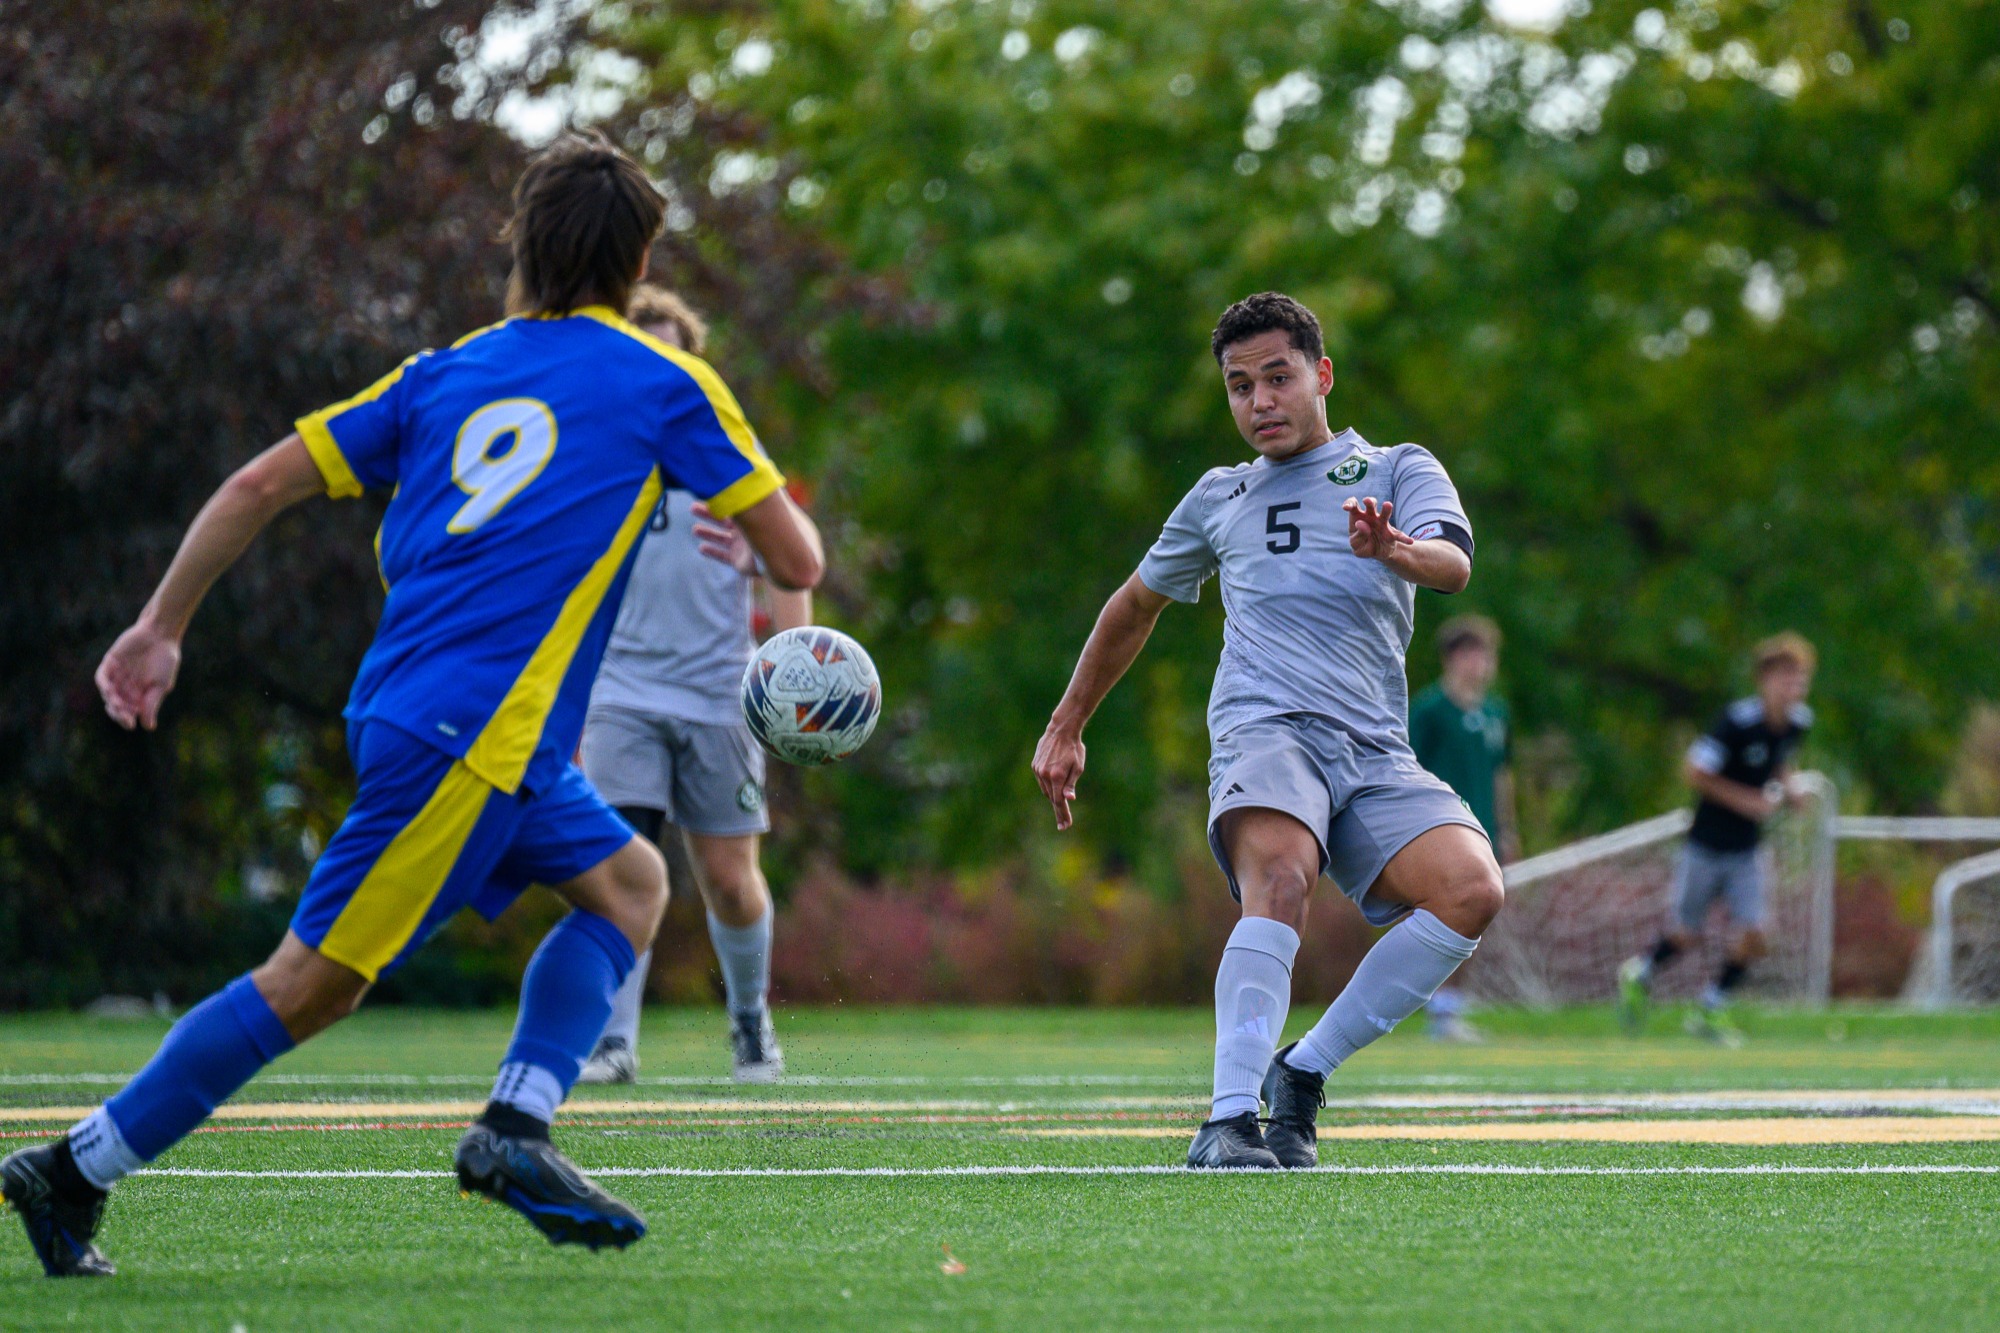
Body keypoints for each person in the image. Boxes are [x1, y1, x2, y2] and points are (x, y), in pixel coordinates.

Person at [0, 132, 824, 1277]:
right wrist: (742, 520)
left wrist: (160, 626)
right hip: (469, 735)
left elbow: (255, 484)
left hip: (446, 716)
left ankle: (515, 1128)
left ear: (521, 244)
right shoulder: (662, 379)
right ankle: (74, 1166)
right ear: (638, 264)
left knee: (632, 885)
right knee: (310, 987)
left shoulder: (440, 374)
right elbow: (795, 550)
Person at [1031, 292, 1504, 1170]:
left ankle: (1304, 1071)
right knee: (1281, 874)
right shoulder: (1220, 495)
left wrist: (1394, 549)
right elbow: (1132, 608)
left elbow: (1454, 563)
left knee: (1473, 887)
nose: (1260, 402)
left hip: (1371, 749)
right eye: (1240, 386)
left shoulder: (1396, 466)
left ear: (1322, 375)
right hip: (1265, 729)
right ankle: (1225, 1120)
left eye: (1278, 377)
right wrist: (1067, 725)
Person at [574, 284, 811, 1087]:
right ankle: (612, 1040)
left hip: (719, 696)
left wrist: (790, 670)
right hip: (620, 695)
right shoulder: (593, 458)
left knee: (731, 882)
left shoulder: (726, 460)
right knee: (620, 863)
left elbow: (792, 562)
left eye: (674, 351)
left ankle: (749, 1022)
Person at [1618, 634, 1815, 1045]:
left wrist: (1789, 788)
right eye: (1785, 678)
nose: (1793, 687)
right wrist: (1746, 801)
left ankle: (1711, 1007)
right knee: (1687, 933)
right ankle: (1641, 974)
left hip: (1748, 849)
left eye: (1800, 679)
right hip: (1706, 844)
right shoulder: (1736, 721)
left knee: (1757, 932)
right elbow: (1694, 771)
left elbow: (1778, 761)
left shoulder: (1799, 722)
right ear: (1764, 680)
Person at [1407, 614, 1520, 1042]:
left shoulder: (1496, 712)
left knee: (1475, 917)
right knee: (1438, 916)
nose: (1481, 664)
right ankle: (1432, 1006)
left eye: (1487, 655)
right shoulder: (1430, 709)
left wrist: (1508, 829)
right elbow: (1410, 766)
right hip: (1440, 826)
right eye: (1473, 654)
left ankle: (1448, 1011)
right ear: (1452, 659)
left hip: (1484, 830)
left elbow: (1501, 775)